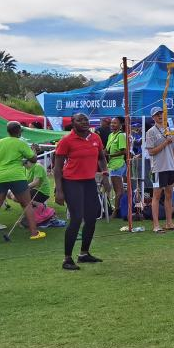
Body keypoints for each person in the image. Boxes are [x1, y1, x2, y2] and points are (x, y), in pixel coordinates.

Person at [0, 122, 48, 243]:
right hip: (16, 176)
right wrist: (33, 151)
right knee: (27, 204)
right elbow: (33, 159)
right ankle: (34, 233)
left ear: (8, 131)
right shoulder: (21, 142)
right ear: (19, 132)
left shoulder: (0, 142)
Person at [53, 113, 108, 269]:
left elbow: (102, 158)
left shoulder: (95, 138)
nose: (84, 122)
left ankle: (84, 253)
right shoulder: (66, 141)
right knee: (76, 218)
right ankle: (67, 259)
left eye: (85, 120)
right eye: (80, 120)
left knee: (92, 217)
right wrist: (59, 190)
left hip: (89, 181)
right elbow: (57, 168)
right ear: (73, 123)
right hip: (71, 182)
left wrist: (105, 175)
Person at [144, 107, 174, 233]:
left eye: (161, 114)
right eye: (157, 114)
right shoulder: (151, 132)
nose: (160, 116)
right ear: (153, 117)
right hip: (158, 168)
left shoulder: (171, 131)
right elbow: (151, 152)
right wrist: (165, 143)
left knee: (169, 195)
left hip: (170, 167)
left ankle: (169, 223)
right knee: (157, 196)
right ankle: (156, 225)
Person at [104, 117, 127, 217]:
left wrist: (109, 156)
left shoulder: (121, 135)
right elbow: (106, 149)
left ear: (120, 125)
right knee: (118, 190)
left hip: (117, 165)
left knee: (119, 191)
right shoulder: (110, 135)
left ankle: (116, 212)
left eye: (115, 123)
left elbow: (124, 151)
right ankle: (118, 209)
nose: (112, 125)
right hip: (112, 164)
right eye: (112, 123)